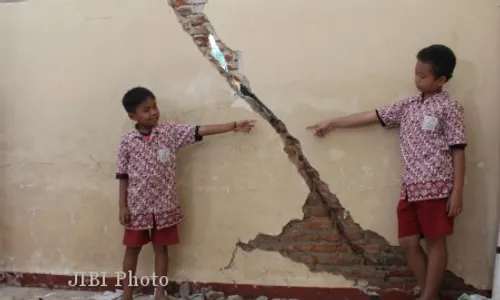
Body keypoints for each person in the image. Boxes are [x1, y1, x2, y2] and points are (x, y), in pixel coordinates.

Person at [306, 44, 466, 300]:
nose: (417, 79)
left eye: (423, 76)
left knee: (436, 242)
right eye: (416, 73)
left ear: (441, 80)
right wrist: (333, 122)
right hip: (411, 187)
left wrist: (457, 192)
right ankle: (430, 293)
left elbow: (459, 150)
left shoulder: (450, 108)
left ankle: (428, 296)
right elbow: (372, 115)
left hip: (438, 186)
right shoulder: (408, 105)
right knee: (408, 242)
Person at [115, 86, 256, 300]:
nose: (153, 112)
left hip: (164, 205)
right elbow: (122, 175)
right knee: (132, 249)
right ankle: (127, 292)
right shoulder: (126, 141)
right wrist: (122, 206)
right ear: (133, 116)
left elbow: (200, 130)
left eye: (155, 106)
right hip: (137, 207)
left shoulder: (170, 133)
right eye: (146, 109)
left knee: (161, 249)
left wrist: (234, 125)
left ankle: (160, 291)